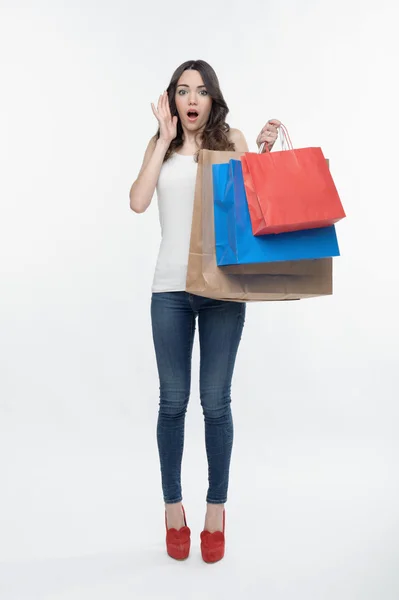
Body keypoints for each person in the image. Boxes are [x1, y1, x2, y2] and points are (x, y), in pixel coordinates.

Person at [129, 59, 280, 562]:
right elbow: (137, 201)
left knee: (215, 403)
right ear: (172, 100)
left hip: (221, 289)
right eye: (182, 91)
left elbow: (256, 201)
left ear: (213, 99)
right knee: (172, 402)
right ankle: (174, 509)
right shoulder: (162, 147)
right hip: (169, 290)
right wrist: (159, 139)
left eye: (200, 92)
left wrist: (260, 153)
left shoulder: (229, 139)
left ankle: (216, 510)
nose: (192, 100)